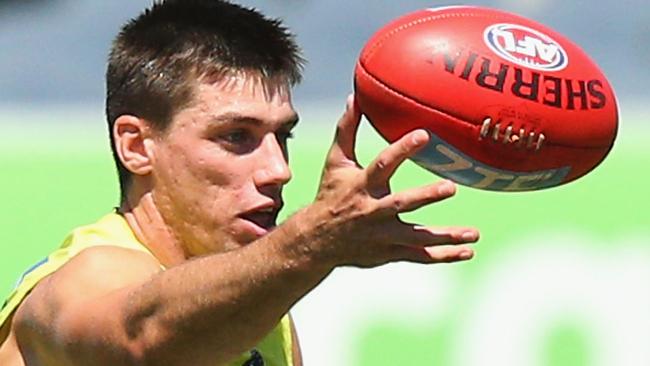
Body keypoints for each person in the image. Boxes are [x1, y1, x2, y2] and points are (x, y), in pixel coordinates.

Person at [0, 0, 479, 365]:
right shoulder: (88, 274)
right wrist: (311, 244)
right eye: (236, 137)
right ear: (137, 146)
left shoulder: (260, 313)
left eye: (282, 136)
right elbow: (143, 339)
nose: (279, 169)